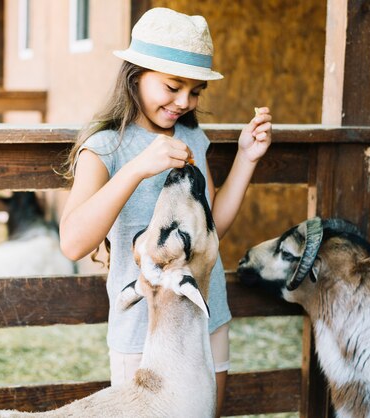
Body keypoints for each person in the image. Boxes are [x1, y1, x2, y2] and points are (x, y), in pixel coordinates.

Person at [59, 7, 272, 417]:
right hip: (141, 332)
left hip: (205, 322)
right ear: (136, 75)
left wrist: (247, 158)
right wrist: (139, 167)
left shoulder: (193, 136)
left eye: (194, 92)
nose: (183, 102)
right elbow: (72, 242)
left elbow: (214, 229)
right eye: (173, 87)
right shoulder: (105, 147)